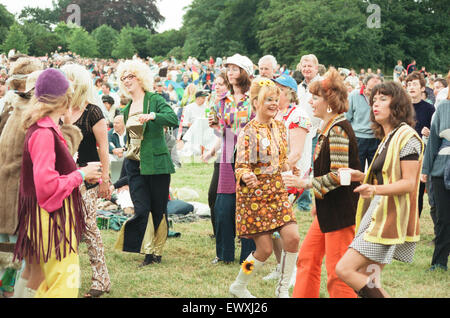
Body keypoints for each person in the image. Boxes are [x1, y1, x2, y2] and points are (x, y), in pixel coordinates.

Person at [14, 68, 102, 298]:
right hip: (50, 219)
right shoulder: (43, 133)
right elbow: (46, 187)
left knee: (54, 281)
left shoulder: (47, 128)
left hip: (51, 218)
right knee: (62, 284)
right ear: (62, 99)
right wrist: (81, 174)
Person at [335, 81, 424, 298]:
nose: (376, 104)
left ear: (398, 105)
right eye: (374, 100)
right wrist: (362, 177)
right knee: (369, 278)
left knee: (345, 269)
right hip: (378, 213)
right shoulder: (388, 137)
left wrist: (375, 191)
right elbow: (387, 176)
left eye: (383, 99)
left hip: (388, 219)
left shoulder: (407, 138)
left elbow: (409, 183)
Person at [285, 68, 361, 298]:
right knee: (307, 258)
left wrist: (304, 183)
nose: (310, 101)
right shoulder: (327, 128)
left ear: (330, 101)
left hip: (340, 211)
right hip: (328, 210)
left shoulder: (337, 129)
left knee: (338, 271)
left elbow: (339, 176)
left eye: (316, 97)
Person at [229, 78, 299, 298]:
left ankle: (282, 290)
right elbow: (240, 166)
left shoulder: (279, 126)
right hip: (255, 197)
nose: (273, 104)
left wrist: (290, 169)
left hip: (277, 192)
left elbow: (282, 159)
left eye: (276, 100)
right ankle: (239, 285)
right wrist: (246, 176)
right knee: (264, 250)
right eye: (268, 99)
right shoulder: (247, 132)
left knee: (293, 238)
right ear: (256, 103)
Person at [114, 59, 179, 267]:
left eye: (130, 76)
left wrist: (152, 116)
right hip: (134, 165)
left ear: (140, 78)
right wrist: (123, 150)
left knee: (158, 208)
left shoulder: (154, 99)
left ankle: (155, 252)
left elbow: (172, 119)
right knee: (142, 209)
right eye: (123, 78)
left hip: (157, 164)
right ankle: (145, 248)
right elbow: (130, 140)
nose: (127, 81)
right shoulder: (125, 110)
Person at [61, 63, 112, 298]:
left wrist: (105, 179)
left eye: (67, 79)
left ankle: (101, 280)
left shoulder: (93, 111)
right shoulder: (60, 110)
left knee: (89, 227)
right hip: (64, 177)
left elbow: (104, 149)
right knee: (66, 229)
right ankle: (67, 277)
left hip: (89, 177)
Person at [264, 75, 313, 285]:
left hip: (292, 177)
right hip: (275, 175)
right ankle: (281, 266)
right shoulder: (275, 115)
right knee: (272, 224)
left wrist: (274, 169)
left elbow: (296, 153)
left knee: (282, 225)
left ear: (290, 93)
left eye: (279, 89)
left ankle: (291, 270)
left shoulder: (298, 115)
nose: (274, 93)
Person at [209, 54, 256, 265]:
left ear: (244, 72)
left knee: (247, 205)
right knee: (223, 207)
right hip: (228, 154)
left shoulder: (254, 98)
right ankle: (224, 254)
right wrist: (216, 128)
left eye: (235, 69)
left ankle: (249, 255)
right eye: (228, 69)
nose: (230, 72)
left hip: (251, 155)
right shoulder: (222, 101)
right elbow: (222, 133)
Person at [421, 72, 450, 272]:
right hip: (441, 170)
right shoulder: (443, 108)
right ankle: (439, 262)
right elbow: (432, 143)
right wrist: (426, 169)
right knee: (442, 217)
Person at [202, 72, 229, 238]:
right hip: (221, 155)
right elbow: (222, 133)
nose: (217, 87)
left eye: (221, 84)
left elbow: (229, 133)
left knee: (227, 199)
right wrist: (211, 151)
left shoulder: (233, 105)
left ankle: (234, 233)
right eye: (216, 84)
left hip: (232, 156)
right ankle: (217, 231)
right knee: (213, 195)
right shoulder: (217, 104)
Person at [405, 71, 435, 216]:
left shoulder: (430, 109)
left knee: (418, 192)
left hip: (421, 155)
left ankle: (414, 223)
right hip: (403, 153)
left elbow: (435, 133)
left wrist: (429, 133)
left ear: (423, 88)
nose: (411, 87)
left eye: (415, 84)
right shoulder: (402, 108)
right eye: (409, 84)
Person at [346, 75, 382, 171]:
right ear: (364, 85)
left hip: (376, 138)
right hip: (358, 138)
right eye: (370, 90)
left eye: (376, 91)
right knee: (357, 170)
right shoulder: (354, 95)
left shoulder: (382, 98)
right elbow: (347, 117)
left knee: (375, 171)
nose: (373, 94)